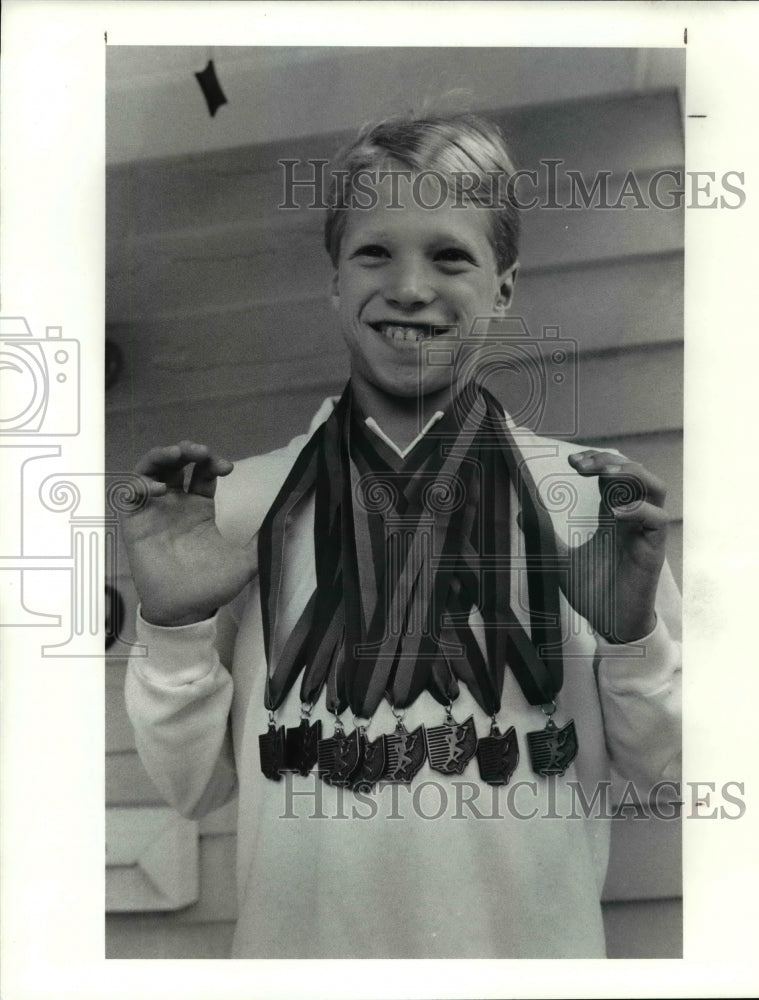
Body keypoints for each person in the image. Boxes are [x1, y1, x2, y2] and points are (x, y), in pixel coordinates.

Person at [122, 112, 681, 959]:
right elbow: (190, 789)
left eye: (450, 254)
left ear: (504, 287)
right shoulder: (243, 506)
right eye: (375, 252)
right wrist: (170, 633)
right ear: (334, 283)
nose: (410, 286)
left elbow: (665, 771)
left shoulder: (584, 501)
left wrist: (634, 641)